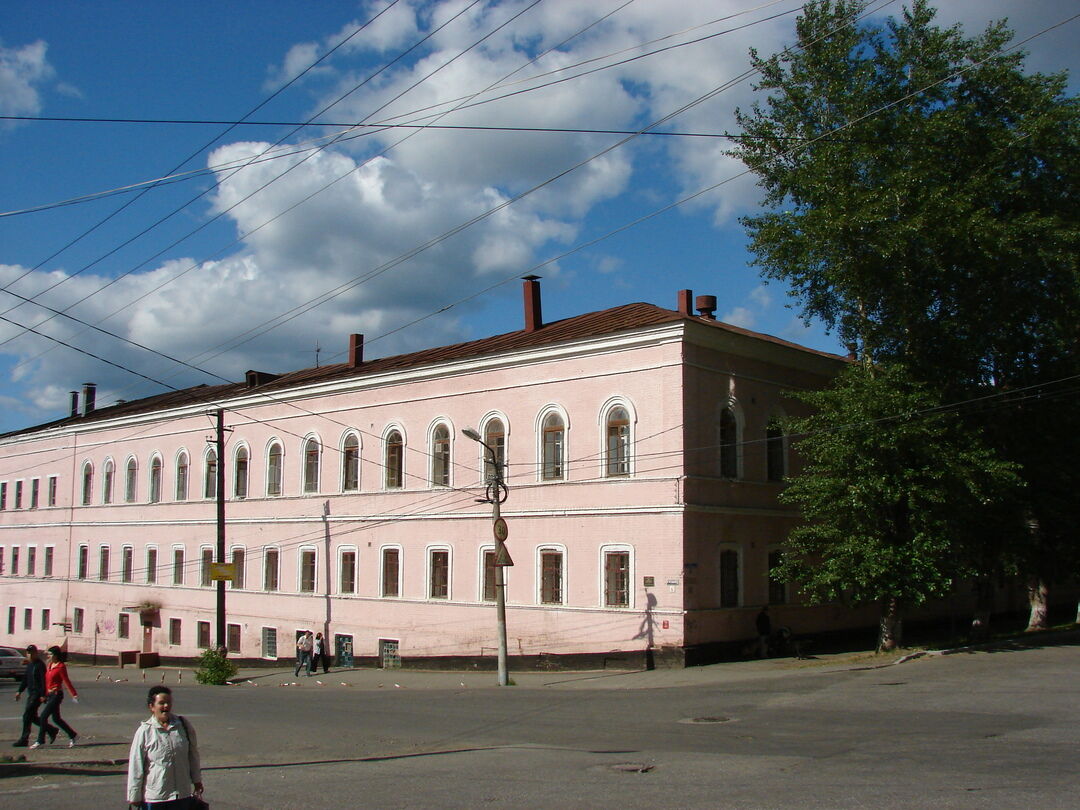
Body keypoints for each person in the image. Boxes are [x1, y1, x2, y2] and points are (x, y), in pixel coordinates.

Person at [127, 685, 204, 810]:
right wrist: (134, 796)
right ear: (151, 707)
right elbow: (136, 765)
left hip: (182, 795)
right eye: (161, 703)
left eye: (168, 702)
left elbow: (193, 755)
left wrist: (197, 780)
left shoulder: (183, 725)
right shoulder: (145, 731)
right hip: (156, 797)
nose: (166, 706)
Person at [32, 646, 78, 748]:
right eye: (48, 654)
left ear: (56, 655)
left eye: (50, 654)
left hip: (57, 695)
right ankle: (73, 735)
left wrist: (73, 694)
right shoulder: (49, 665)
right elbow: (47, 682)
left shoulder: (61, 666)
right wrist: (44, 694)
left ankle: (40, 740)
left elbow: (66, 681)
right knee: (56, 719)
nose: (48, 656)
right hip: (50, 695)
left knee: (43, 716)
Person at [13, 645, 58, 747]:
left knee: (27, 716)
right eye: (28, 653)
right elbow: (25, 679)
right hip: (31, 694)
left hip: (37, 695)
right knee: (31, 717)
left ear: (36, 653)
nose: (29, 655)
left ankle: (24, 739)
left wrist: (43, 695)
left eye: (32, 652)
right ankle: (51, 730)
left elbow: (43, 681)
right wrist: (19, 691)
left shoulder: (39, 665)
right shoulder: (30, 665)